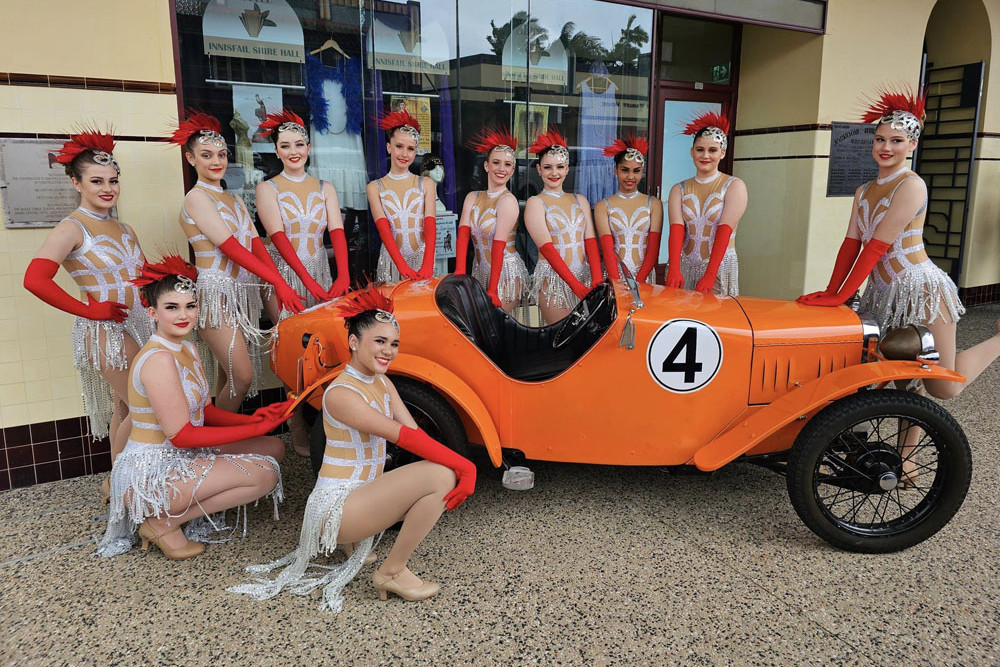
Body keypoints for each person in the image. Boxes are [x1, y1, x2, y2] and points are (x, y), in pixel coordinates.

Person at [229, 286, 476, 612]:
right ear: (354, 342)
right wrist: (465, 467)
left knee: (439, 471)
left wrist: (457, 464)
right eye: (379, 341)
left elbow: (417, 433)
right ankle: (391, 572)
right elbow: (406, 438)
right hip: (336, 509)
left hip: (362, 494)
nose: (388, 351)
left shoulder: (382, 382)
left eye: (394, 343)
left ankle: (355, 541)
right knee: (441, 477)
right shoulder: (341, 393)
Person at [798, 87, 1000, 407]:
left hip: (922, 291)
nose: (886, 147)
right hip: (885, 294)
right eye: (880, 139)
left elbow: (877, 246)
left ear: (912, 144)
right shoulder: (864, 190)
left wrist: (841, 295)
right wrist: (832, 291)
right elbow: (852, 243)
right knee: (907, 381)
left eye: (896, 141)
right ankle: (907, 460)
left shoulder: (911, 185)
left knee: (943, 388)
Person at [97, 256, 289, 560]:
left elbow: (205, 412)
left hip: (181, 456)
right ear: (152, 313)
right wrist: (255, 427)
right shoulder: (158, 359)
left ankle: (176, 509)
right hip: (152, 473)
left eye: (190, 306)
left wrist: (255, 420)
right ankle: (163, 521)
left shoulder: (186, 347)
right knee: (265, 474)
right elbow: (182, 436)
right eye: (172, 308)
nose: (183, 315)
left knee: (274, 447)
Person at [23, 129, 151, 478]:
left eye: (113, 180)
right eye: (97, 181)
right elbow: (34, 279)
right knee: (146, 404)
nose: (107, 188)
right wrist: (89, 310)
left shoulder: (125, 229)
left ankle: (120, 484)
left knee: (126, 407)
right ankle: (127, 483)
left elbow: (139, 279)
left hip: (139, 324)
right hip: (104, 330)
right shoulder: (71, 228)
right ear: (76, 183)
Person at [170, 111, 304, 412]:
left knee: (227, 375)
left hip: (243, 293)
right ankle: (216, 442)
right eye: (206, 155)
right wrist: (278, 282)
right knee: (242, 377)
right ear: (191, 159)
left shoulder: (235, 199)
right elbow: (230, 248)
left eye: (221, 154)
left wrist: (275, 283)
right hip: (216, 295)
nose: (216, 161)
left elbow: (256, 246)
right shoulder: (196, 198)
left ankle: (218, 443)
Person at [524, 128, 603, 324]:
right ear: (539, 169)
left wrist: (596, 278)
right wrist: (574, 285)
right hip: (553, 282)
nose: (554, 173)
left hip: (585, 278)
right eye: (548, 167)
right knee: (561, 338)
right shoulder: (535, 203)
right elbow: (547, 249)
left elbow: (590, 240)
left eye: (560, 167)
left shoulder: (580, 200)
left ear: (567, 169)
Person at [664, 111, 747, 295]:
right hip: (685, 267)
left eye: (712, 150)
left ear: (722, 153)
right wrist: (674, 268)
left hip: (718, 268)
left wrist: (710, 274)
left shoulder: (734, 186)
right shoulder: (679, 189)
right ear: (692, 152)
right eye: (700, 149)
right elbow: (676, 230)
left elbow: (725, 230)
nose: (705, 156)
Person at [454, 126, 530, 312]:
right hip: (479, 271)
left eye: (507, 164)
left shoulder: (508, 200)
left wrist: (493, 288)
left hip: (505, 274)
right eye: (496, 162)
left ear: (512, 170)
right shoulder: (472, 197)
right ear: (487, 165)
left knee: (495, 328)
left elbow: (499, 245)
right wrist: (459, 272)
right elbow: (463, 235)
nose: (501, 169)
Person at [366, 110, 437, 282]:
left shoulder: (426, 183)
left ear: (416, 152)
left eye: (410, 148)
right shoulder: (375, 187)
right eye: (399, 146)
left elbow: (430, 224)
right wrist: (400, 265)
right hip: (391, 262)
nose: (404, 154)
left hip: (422, 260)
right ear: (389, 147)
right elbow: (383, 229)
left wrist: (427, 262)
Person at [593, 136, 663, 284]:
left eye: (636, 171)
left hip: (645, 277)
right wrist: (617, 281)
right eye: (625, 170)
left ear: (642, 171)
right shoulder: (603, 206)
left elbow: (653, 249)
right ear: (615, 170)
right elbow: (607, 248)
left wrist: (639, 281)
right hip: (615, 277)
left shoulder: (654, 204)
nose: (630, 176)